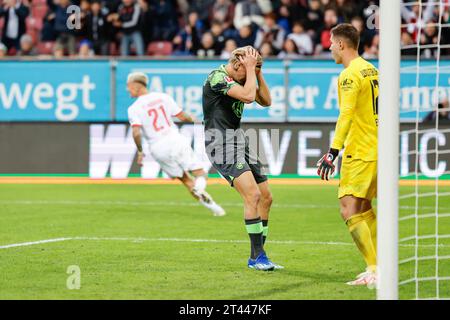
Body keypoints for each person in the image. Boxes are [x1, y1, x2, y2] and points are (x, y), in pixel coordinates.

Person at [202, 46, 283, 271]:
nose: (248, 75)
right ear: (237, 64)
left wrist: (256, 72)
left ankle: (259, 255)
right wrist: (250, 69)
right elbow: (249, 97)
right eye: (246, 69)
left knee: (266, 197)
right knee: (253, 194)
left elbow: (266, 101)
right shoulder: (217, 77)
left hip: (239, 140)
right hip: (220, 142)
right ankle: (258, 257)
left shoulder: (245, 73)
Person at [317, 24, 378, 286]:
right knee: (364, 207)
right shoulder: (372, 69)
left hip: (360, 149)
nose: (330, 47)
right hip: (377, 147)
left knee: (348, 208)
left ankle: (374, 268)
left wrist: (332, 152)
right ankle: (379, 267)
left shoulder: (349, 74)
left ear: (342, 45)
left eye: (332, 43)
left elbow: (346, 114)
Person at [126, 72, 225, 217]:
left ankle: (215, 209)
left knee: (185, 180)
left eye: (129, 87)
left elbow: (136, 132)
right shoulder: (163, 97)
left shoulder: (134, 108)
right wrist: (197, 120)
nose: (128, 90)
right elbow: (183, 116)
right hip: (174, 139)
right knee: (200, 173)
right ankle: (203, 192)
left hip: (157, 148)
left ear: (136, 86)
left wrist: (140, 151)